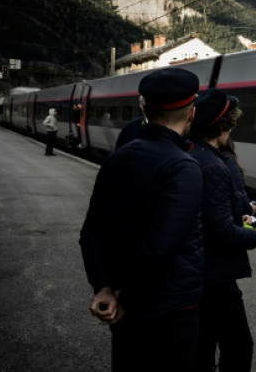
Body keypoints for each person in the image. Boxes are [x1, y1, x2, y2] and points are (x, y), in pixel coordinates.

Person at [78, 68, 204, 371]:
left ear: (143, 108)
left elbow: (92, 232)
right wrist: (123, 296)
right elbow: (159, 250)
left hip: (126, 307)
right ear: (191, 113)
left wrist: (105, 286)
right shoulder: (183, 167)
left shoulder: (117, 158)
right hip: (169, 311)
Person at [189, 89, 256, 372]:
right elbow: (220, 230)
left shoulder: (190, 153)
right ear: (223, 127)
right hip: (214, 274)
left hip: (197, 271)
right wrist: (254, 234)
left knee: (204, 344)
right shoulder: (213, 165)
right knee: (238, 345)